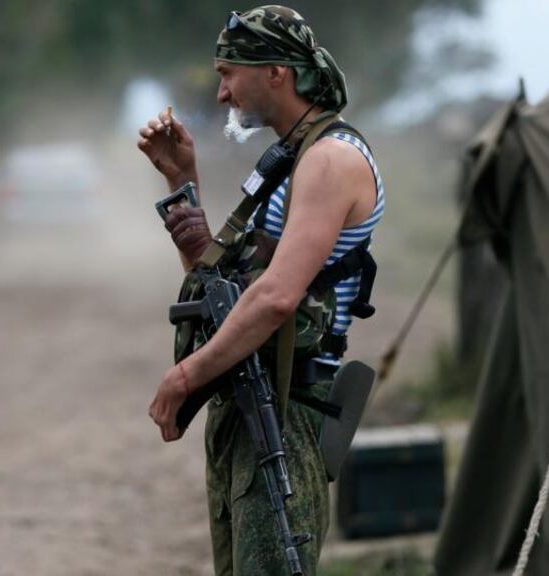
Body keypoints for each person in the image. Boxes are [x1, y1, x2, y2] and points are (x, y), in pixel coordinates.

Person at [137, 6, 384, 574]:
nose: (221, 93)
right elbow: (220, 286)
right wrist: (181, 179)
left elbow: (276, 298)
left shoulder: (329, 160)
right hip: (252, 403)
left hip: (284, 412)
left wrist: (185, 376)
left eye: (229, 72)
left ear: (277, 72)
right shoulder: (290, 159)